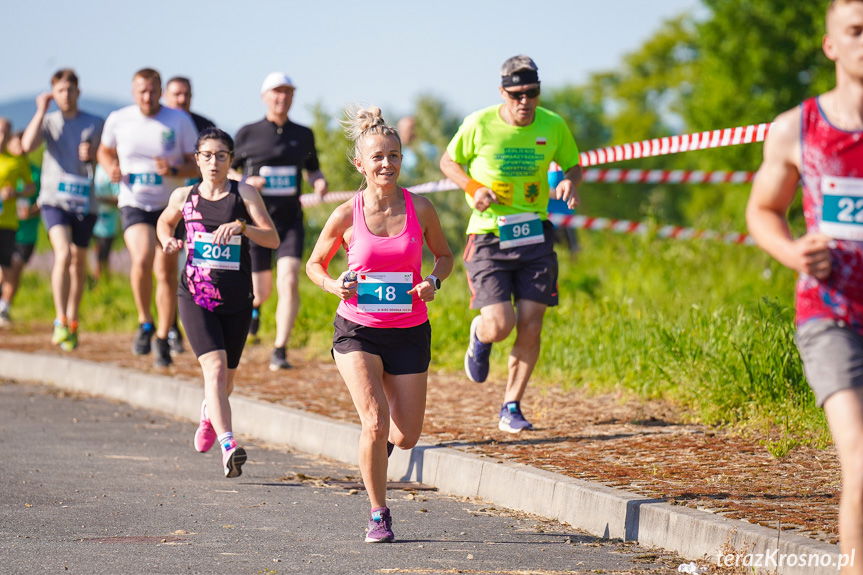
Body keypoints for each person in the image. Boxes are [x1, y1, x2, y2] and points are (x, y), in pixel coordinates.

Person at [746, 2, 863, 572]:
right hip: (832, 313)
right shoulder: (800, 125)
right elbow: (764, 210)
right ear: (831, 45)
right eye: (857, 31)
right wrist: (795, 251)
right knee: (861, 457)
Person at [305, 106, 452, 543]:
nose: (386, 164)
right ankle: (378, 512)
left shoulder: (420, 208)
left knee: (405, 436)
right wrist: (335, 286)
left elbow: (444, 256)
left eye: (393, 156)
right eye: (377, 157)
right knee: (374, 422)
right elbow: (315, 264)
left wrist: (432, 281)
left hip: (409, 329)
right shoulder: (345, 214)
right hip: (358, 330)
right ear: (360, 164)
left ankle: (376, 455)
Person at [439, 55, 582, 434]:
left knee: (532, 323)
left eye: (531, 92)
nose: (524, 101)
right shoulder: (479, 123)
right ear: (502, 92)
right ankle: (480, 335)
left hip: (535, 232)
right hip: (488, 234)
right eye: (516, 94)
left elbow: (573, 163)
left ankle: (511, 406)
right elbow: (448, 162)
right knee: (501, 325)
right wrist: (473, 187)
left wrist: (569, 180)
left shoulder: (553, 125)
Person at [157, 127, 278, 478]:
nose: (213, 162)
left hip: (237, 299)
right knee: (215, 368)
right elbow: (164, 223)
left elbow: (271, 238)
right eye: (207, 155)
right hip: (195, 295)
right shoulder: (185, 196)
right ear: (197, 159)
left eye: (221, 156)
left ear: (230, 160)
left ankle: (209, 414)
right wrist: (167, 240)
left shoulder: (245, 194)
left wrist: (242, 228)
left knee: (227, 381)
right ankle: (229, 445)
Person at [97, 68, 198, 366]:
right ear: (133, 92)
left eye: (153, 91)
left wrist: (176, 170)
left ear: (160, 91)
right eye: (142, 91)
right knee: (141, 258)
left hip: (169, 206)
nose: (147, 96)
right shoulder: (119, 119)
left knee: (166, 272)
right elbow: (104, 151)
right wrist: (110, 167)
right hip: (134, 202)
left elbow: (197, 164)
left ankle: (163, 336)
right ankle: (145, 322)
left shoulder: (178, 120)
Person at [231, 72, 328, 370]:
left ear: (292, 97)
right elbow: (228, 172)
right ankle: (256, 309)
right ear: (265, 97)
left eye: (287, 93)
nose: (281, 98)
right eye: (276, 92)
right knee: (261, 291)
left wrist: (319, 182)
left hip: (289, 223)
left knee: (288, 280)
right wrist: (247, 181)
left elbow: (313, 170)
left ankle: (280, 348)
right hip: (257, 223)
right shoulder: (247, 133)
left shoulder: (303, 134)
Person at [21, 68, 104, 350]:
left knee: (78, 262)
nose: (65, 95)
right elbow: (25, 145)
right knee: (64, 253)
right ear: (53, 94)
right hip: (53, 200)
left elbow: (106, 158)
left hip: (84, 201)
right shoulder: (48, 121)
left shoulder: (95, 122)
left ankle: (73, 317)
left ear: (78, 92)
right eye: (59, 91)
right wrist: (40, 110)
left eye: (70, 90)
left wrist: (93, 156)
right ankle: (59, 319)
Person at [163, 75, 217, 354]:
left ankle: (203, 326)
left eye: (186, 94)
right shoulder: (158, 125)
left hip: (202, 208)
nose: (181, 100)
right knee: (168, 270)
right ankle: (170, 328)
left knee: (200, 269)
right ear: (166, 96)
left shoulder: (205, 126)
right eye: (176, 95)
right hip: (168, 205)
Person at [0, 118, 35, 328]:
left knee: (5, 267)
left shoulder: (16, 161)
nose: (2, 136)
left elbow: (30, 188)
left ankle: (4, 307)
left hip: (8, 222)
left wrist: (16, 192)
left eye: (6, 132)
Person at [90, 164, 120, 284]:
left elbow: (119, 198)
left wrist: (99, 199)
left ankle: (103, 285)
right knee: (94, 254)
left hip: (108, 222)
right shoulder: (92, 167)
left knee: (103, 256)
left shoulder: (111, 170)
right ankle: (96, 283)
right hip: (92, 218)